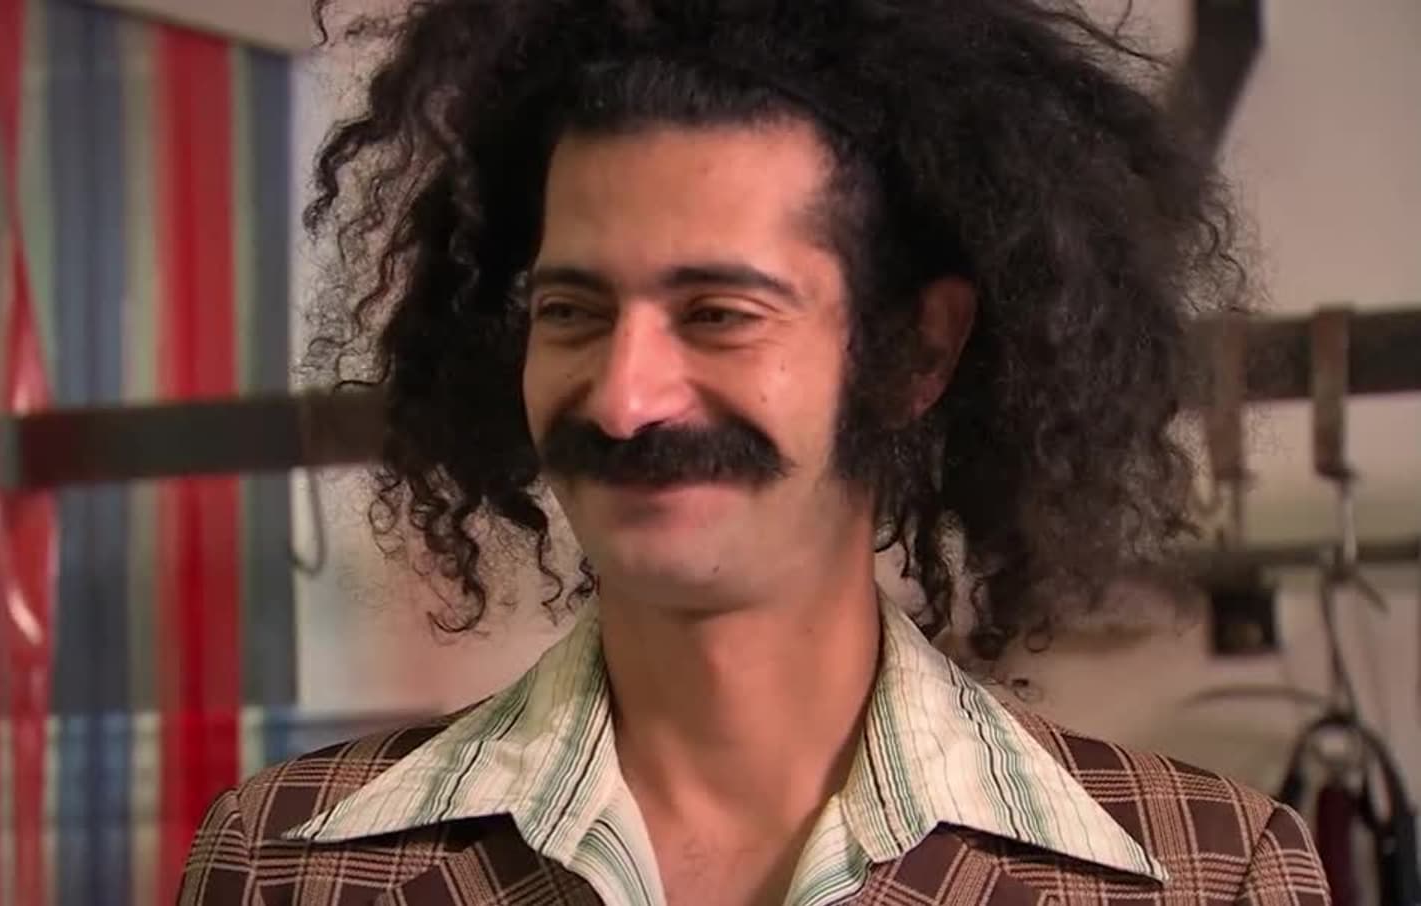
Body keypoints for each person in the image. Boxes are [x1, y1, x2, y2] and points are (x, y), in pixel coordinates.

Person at [180, 1, 1330, 903]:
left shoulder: (1205, 877)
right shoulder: (287, 867)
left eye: (719, 314)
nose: (623, 398)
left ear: (915, 352)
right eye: (572, 312)